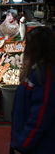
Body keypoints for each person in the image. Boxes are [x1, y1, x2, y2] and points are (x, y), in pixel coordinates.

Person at [10, 26, 55, 154]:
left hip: (37, 146)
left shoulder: (46, 74)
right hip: (24, 140)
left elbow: (40, 115)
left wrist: (23, 145)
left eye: (28, 45)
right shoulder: (35, 70)